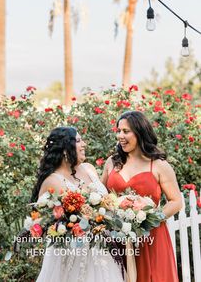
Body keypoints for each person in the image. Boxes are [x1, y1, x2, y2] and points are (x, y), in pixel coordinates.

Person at [31, 126, 125, 282]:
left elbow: (107, 201)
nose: (84, 145)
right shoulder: (53, 181)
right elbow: (42, 223)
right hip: (73, 255)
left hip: (101, 249)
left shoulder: (89, 169)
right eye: (79, 141)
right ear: (65, 148)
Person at [101, 111, 182, 282]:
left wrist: (150, 218)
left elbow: (176, 202)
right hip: (117, 237)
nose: (120, 136)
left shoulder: (159, 165)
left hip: (151, 238)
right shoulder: (112, 162)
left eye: (125, 131)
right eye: (118, 131)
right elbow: (102, 197)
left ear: (140, 132)